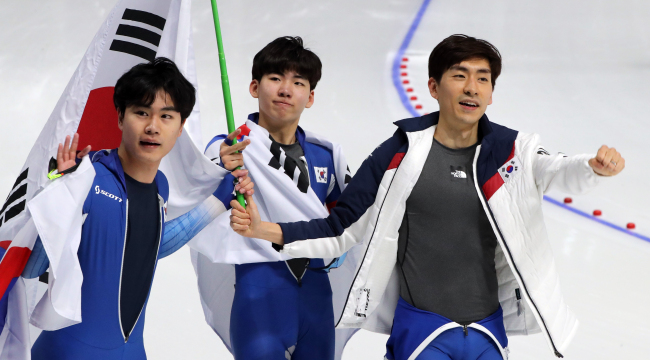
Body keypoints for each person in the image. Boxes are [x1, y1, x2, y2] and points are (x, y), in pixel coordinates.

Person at [229, 34, 625, 360]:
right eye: (460, 75)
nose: (472, 87)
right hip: (421, 333)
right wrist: (266, 229)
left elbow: (554, 169)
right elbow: (341, 227)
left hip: (489, 335)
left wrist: (592, 167)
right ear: (434, 87)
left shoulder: (511, 151)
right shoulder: (398, 154)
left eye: (483, 79)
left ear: (491, 94)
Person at [22, 57, 253, 360]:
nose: (152, 127)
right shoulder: (84, 179)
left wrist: (220, 200)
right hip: (67, 352)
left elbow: (149, 243)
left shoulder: (162, 187)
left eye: (166, 116)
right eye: (141, 112)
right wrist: (57, 197)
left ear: (181, 126)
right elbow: (30, 269)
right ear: (120, 117)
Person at [193, 36, 353, 360]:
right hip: (259, 301)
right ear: (255, 87)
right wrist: (222, 169)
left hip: (317, 303)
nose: (285, 89)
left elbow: (349, 230)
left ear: (310, 97)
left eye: (298, 82)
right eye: (275, 78)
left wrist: (338, 254)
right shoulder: (229, 148)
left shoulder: (328, 157)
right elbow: (196, 205)